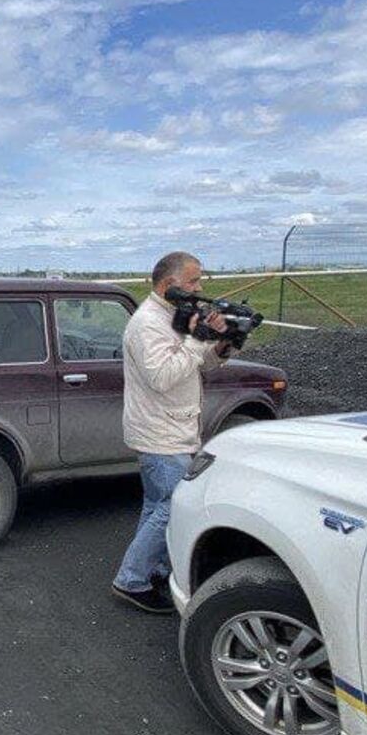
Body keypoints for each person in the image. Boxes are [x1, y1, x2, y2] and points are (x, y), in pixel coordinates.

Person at [111, 251, 236, 614]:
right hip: (161, 433)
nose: (199, 288)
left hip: (173, 428)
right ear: (170, 286)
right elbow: (163, 377)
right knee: (171, 508)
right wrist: (198, 340)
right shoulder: (148, 323)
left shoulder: (174, 317)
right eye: (194, 281)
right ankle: (131, 580)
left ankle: (152, 571)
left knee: (156, 507)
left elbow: (195, 364)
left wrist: (221, 345)